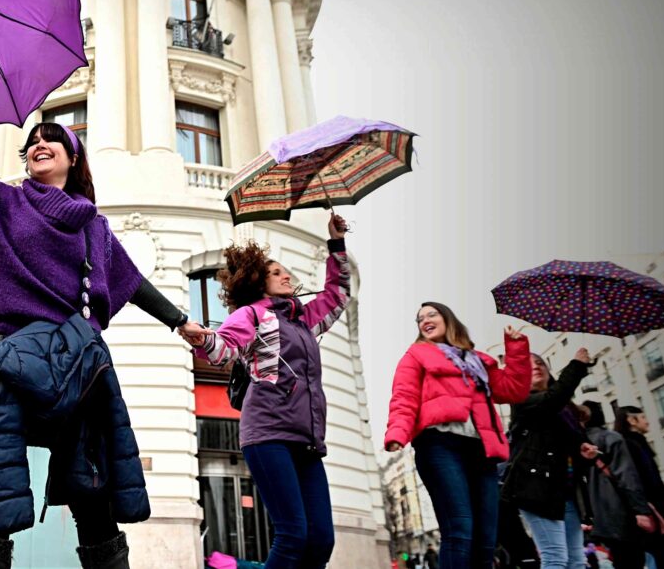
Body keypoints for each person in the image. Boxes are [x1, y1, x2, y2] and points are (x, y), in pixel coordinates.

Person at [0, 52, 206, 568]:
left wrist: (181, 323)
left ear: (74, 158)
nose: (38, 144)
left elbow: (130, 283)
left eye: (51, 138)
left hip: (72, 367)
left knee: (91, 493)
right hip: (2, 360)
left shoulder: (93, 226)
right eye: (31, 141)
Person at [189, 218, 351, 569]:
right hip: (268, 434)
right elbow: (225, 348)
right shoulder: (253, 315)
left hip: (307, 438)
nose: (287, 276)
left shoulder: (304, 319)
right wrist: (201, 337)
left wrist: (336, 243)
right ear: (259, 281)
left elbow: (337, 296)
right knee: (293, 535)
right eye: (277, 272)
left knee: (321, 539)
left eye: (286, 272)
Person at [384, 303, 533, 569]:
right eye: (419, 319)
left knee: (486, 538)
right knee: (460, 529)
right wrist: (397, 432)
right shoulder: (417, 355)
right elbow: (404, 397)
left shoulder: (478, 360)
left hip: (481, 449)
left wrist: (516, 347)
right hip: (440, 445)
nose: (425, 321)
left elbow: (513, 391)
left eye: (431, 314)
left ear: (448, 319)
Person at [501, 350, 596, 569]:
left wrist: (584, 451)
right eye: (528, 364)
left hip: (566, 491)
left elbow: (570, 448)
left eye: (540, 362)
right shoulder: (523, 400)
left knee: (576, 560)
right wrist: (577, 365)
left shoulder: (564, 411)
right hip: (534, 489)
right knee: (555, 557)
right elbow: (552, 399)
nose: (536, 366)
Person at [582, 401, 654, 569]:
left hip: (597, 516)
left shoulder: (578, 445)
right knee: (635, 559)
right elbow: (627, 476)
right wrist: (641, 510)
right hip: (623, 511)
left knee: (620, 560)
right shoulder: (611, 438)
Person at [615, 406, 664, 565]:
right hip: (651, 507)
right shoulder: (631, 444)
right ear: (631, 420)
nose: (647, 422)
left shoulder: (630, 442)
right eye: (643, 417)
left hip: (647, 507)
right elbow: (646, 479)